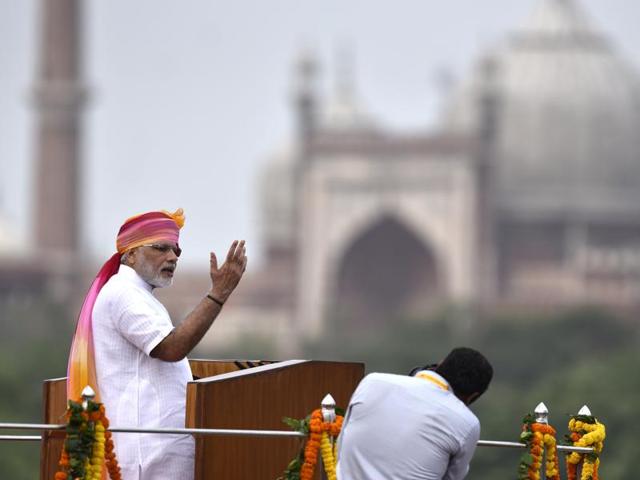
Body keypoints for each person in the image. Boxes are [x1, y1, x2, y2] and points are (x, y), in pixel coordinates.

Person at [66, 208, 247, 480]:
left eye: (176, 251)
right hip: (146, 455)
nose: (173, 257)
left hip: (157, 452)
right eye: (161, 248)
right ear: (131, 254)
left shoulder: (140, 295)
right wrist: (218, 293)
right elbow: (171, 348)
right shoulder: (124, 294)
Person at [336, 347, 493, 480]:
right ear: (473, 396)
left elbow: (341, 447)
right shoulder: (466, 421)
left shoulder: (372, 381)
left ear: (440, 364)